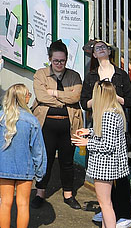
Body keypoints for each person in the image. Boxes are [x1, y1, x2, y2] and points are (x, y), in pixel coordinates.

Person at [80, 41, 131, 228]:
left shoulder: (120, 74)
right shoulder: (91, 76)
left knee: (116, 181)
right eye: (97, 48)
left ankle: (123, 213)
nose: (101, 49)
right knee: (104, 193)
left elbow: (130, 101)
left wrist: (111, 97)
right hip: (98, 122)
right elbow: (83, 102)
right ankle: (109, 212)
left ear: (109, 52)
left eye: (104, 46)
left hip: (112, 124)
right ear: (94, 55)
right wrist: (98, 100)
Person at [31, 40, 83, 210]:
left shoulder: (74, 76)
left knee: (67, 161)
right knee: (45, 160)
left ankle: (68, 194)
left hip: (69, 126)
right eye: (56, 61)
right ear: (49, 59)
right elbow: (41, 97)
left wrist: (54, 93)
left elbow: (76, 98)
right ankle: (40, 193)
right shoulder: (41, 74)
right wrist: (64, 98)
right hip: (47, 125)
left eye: (62, 61)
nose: (59, 64)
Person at [0, 84, 47, 228]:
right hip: (25, 168)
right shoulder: (32, 121)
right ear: (23, 98)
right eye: (28, 95)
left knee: (6, 203)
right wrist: (40, 172)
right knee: (23, 204)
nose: (29, 97)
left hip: (4, 166)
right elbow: (38, 150)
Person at [72, 81, 130, 228]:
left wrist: (87, 143)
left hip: (105, 166)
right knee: (106, 203)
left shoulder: (107, 115)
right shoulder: (114, 111)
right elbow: (108, 135)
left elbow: (108, 145)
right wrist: (89, 131)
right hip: (109, 165)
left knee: (105, 204)